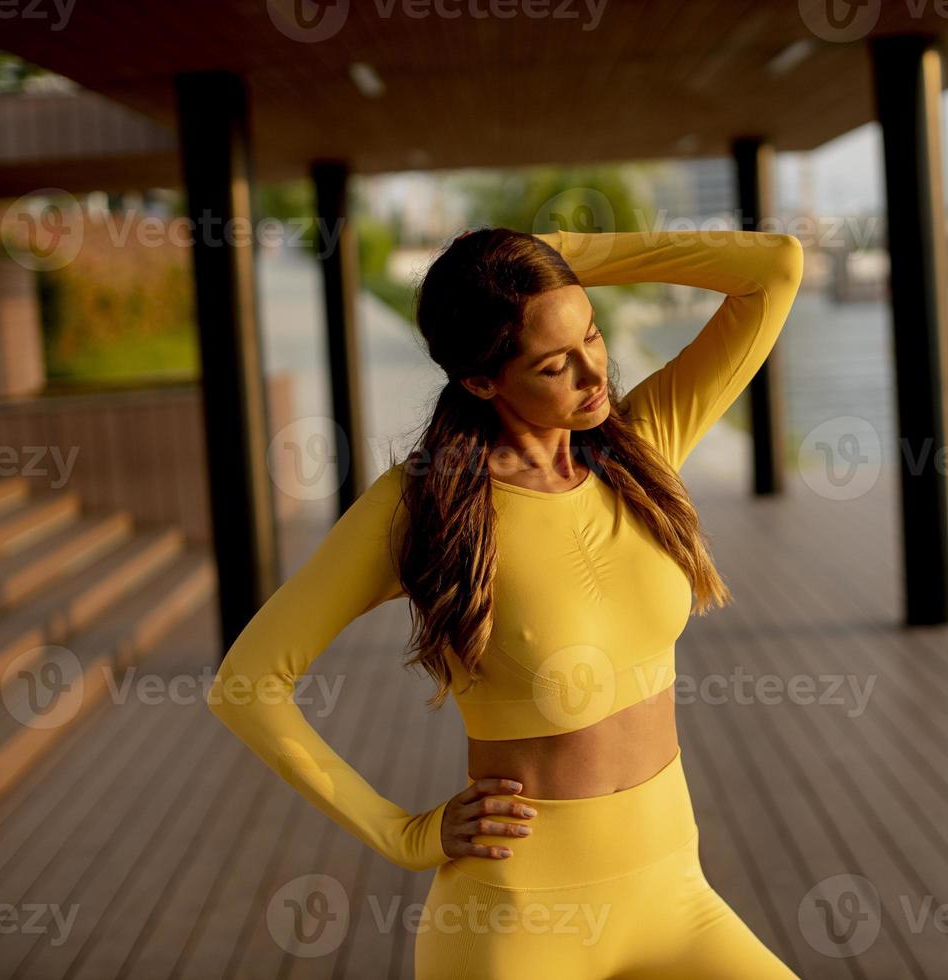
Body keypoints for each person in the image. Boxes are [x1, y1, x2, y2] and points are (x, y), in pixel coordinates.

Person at [206, 223, 804, 977]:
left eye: (593, 336)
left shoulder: (639, 444)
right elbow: (247, 684)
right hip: (516, 921)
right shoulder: (422, 505)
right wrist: (402, 834)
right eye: (556, 365)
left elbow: (775, 267)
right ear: (482, 381)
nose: (595, 375)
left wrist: (557, 255)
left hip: (676, 893)